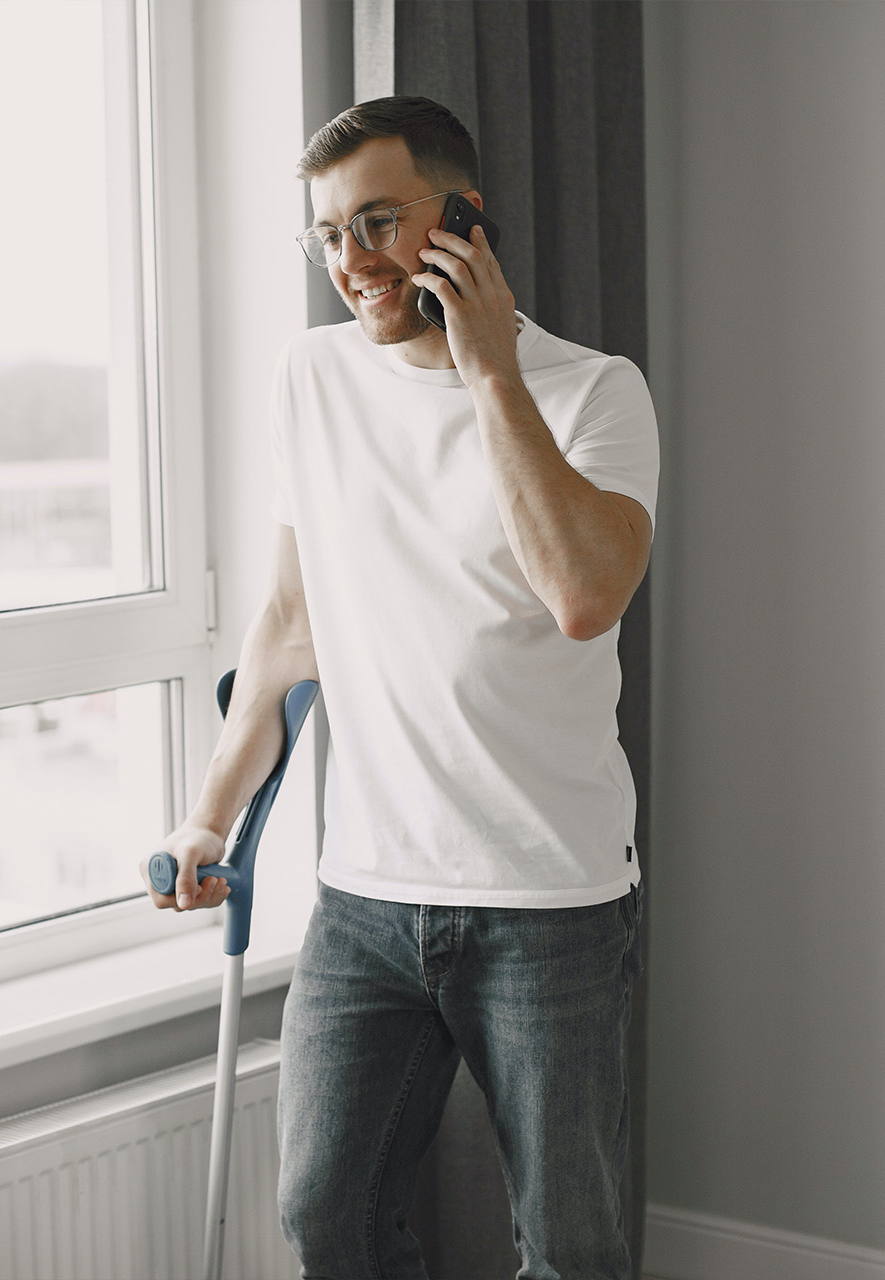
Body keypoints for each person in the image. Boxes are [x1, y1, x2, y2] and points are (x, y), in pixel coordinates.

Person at [141, 95, 658, 1280]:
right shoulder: (311, 379)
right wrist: (208, 811)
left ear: (463, 219)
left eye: (379, 222)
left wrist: (488, 374)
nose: (352, 262)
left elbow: (585, 593)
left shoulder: (594, 394)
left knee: (569, 1247)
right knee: (331, 1212)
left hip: (550, 901)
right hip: (365, 900)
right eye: (328, 233)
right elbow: (287, 622)